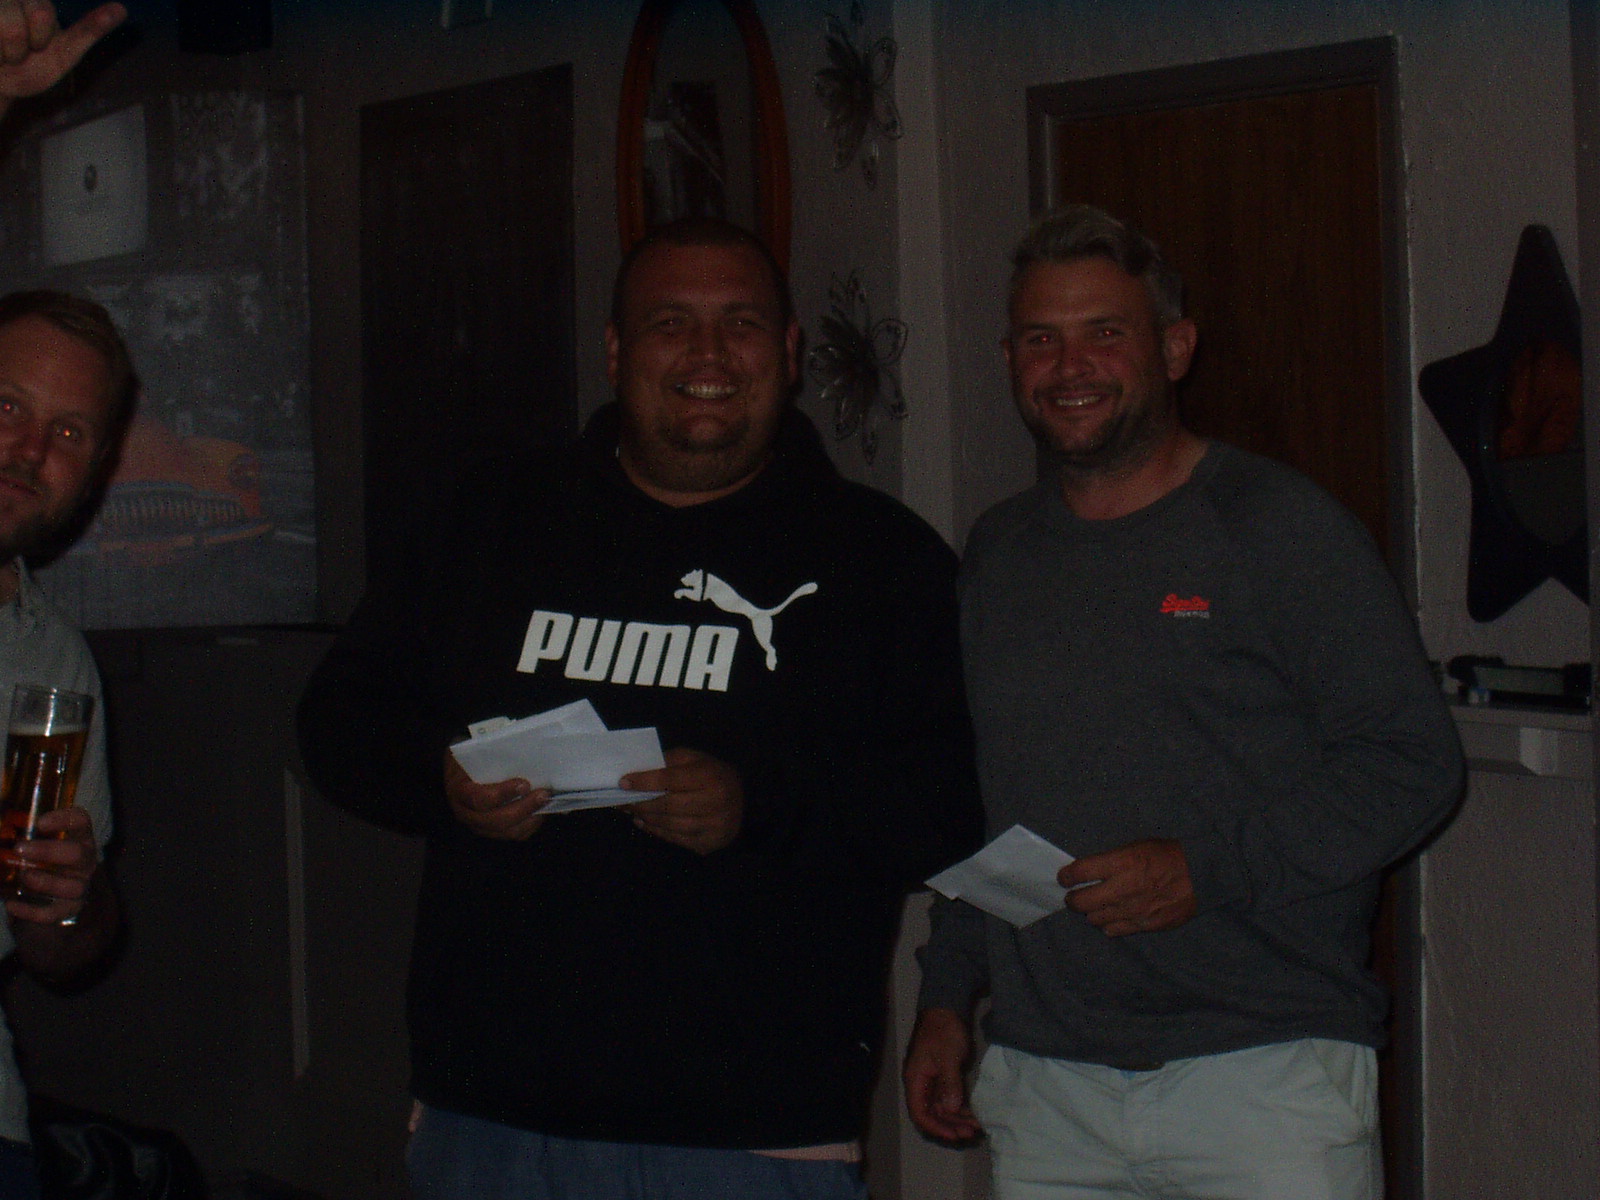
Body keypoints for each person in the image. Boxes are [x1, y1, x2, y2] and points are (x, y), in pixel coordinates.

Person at [298, 217, 982, 1199]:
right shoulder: (490, 523)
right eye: (671, 323)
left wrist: (760, 808)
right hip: (487, 1121)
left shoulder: (884, 561)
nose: (708, 354)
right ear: (618, 352)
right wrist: (439, 781)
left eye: (741, 323)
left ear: (789, 352)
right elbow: (336, 720)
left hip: (754, 1138)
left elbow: (952, 806)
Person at [904, 205, 1463, 1200]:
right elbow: (988, 805)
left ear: (1174, 348)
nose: (1069, 366)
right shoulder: (997, 554)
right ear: (1008, 360)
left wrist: (1207, 871)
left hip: (1263, 1078)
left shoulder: (1278, 529)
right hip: (1047, 1088)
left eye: (1103, 332)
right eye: (1040, 338)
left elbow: (1412, 763)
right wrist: (948, 996)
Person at [0, 288, 134, 1198]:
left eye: (69, 432)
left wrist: (67, 901)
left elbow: (66, 956)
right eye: (7, 406)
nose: (29, 449)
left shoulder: (54, 660)